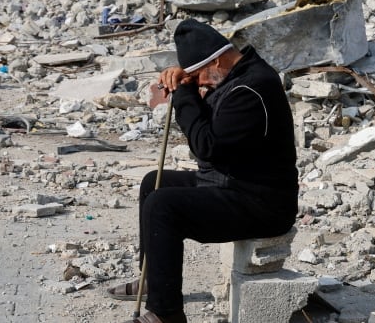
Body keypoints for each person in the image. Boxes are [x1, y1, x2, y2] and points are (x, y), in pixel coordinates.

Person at [109, 18, 299, 323]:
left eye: (198, 76)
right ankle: (153, 280)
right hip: (231, 183)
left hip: (262, 202)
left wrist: (183, 95)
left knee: (163, 206)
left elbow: (206, 145)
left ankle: (166, 314)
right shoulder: (233, 78)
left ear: (218, 61)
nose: (199, 83)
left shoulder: (251, 89)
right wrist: (185, 83)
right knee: (153, 185)